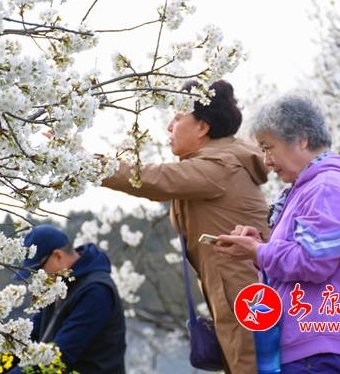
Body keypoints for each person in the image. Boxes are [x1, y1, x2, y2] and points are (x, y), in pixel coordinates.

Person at [102, 80, 270, 373]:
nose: (169, 127)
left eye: (177, 118)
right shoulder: (213, 162)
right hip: (237, 296)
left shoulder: (220, 165)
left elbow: (153, 179)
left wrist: (90, 165)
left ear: (202, 127)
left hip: (247, 300)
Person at [214, 94, 340, 373]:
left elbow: (313, 259)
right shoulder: (316, 186)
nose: (266, 161)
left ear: (302, 139)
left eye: (268, 148)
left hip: (320, 344)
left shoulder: (326, 187)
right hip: (320, 340)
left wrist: (258, 251)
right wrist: (258, 248)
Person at [8, 225, 126, 374]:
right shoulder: (59, 284)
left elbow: (59, 355)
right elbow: (31, 333)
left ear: (58, 256)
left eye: (38, 270)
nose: (38, 277)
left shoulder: (95, 291)